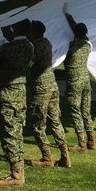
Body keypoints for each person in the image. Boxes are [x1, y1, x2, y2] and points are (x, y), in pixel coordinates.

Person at [0, 21, 34, 187]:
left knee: (9, 132)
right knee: (17, 131)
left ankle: (16, 175)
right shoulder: (30, 46)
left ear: (13, 28)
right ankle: (18, 171)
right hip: (21, 92)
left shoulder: (7, 48)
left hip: (8, 92)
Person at [28, 20, 71, 167]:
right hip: (52, 84)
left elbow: (28, 64)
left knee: (38, 124)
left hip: (41, 87)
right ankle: (65, 156)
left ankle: (46, 157)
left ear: (33, 32)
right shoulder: (47, 43)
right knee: (55, 121)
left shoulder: (36, 46)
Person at [64, 14, 95, 151]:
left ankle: (81, 143)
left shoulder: (71, 46)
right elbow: (79, 33)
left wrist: (69, 18)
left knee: (75, 110)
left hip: (74, 81)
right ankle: (91, 141)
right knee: (86, 111)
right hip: (85, 80)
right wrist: (71, 20)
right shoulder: (87, 44)